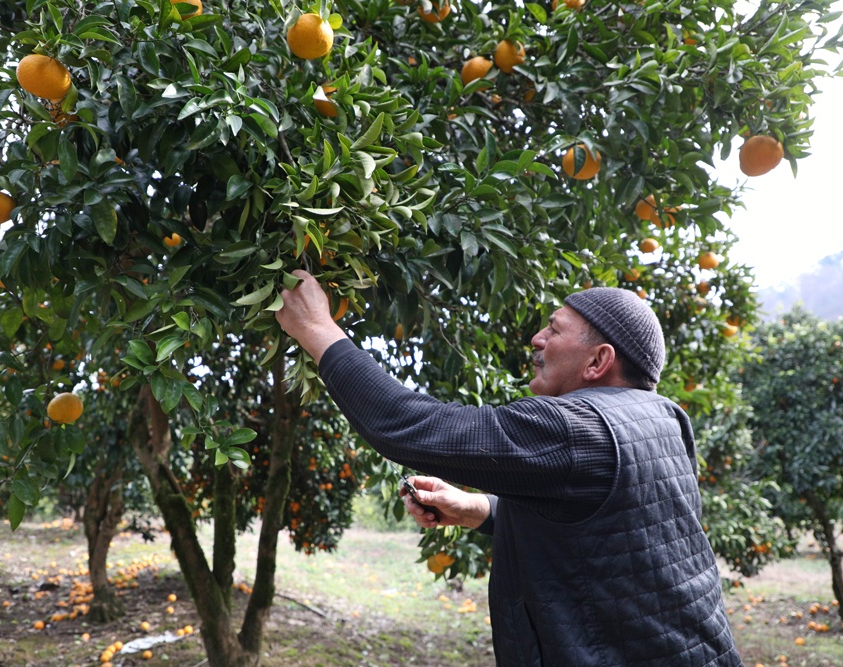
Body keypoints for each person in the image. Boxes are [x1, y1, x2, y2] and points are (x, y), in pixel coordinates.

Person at [276, 270, 743, 667]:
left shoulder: (575, 427)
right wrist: (478, 509)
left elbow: (407, 426)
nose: (537, 339)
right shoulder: (662, 418)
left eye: (555, 331)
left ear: (599, 361)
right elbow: (608, 524)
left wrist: (317, 328)